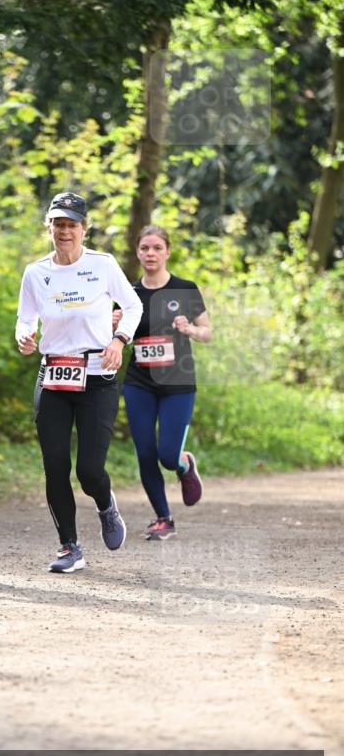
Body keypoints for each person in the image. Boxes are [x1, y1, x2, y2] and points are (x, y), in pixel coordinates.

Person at [16, 192, 143, 573]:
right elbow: (26, 317)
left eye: (71, 224)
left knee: (88, 469)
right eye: (58, 224)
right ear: (48, 227)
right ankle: (69, 547)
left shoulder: (102, 265)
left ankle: (106, 506)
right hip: (53, 376)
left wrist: (120, 341)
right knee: (55, 465)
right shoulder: (36, 272)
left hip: (98, 376)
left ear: (84, 229)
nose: (64, 231)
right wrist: (24, 335)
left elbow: (133, 305)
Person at [119, 224, 211, 540]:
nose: (150, 254)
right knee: (145, 452)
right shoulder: (128, 293)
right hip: (138, 382)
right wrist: (113, 324)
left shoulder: (185, 289)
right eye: (144, 248)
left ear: (167, 251)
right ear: (137, 252)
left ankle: (184, 465)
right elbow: (114, 337)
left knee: (167, 456)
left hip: (178, 383)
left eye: (157, 248)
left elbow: (207, 333)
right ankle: (163, 517)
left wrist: (190, 330)